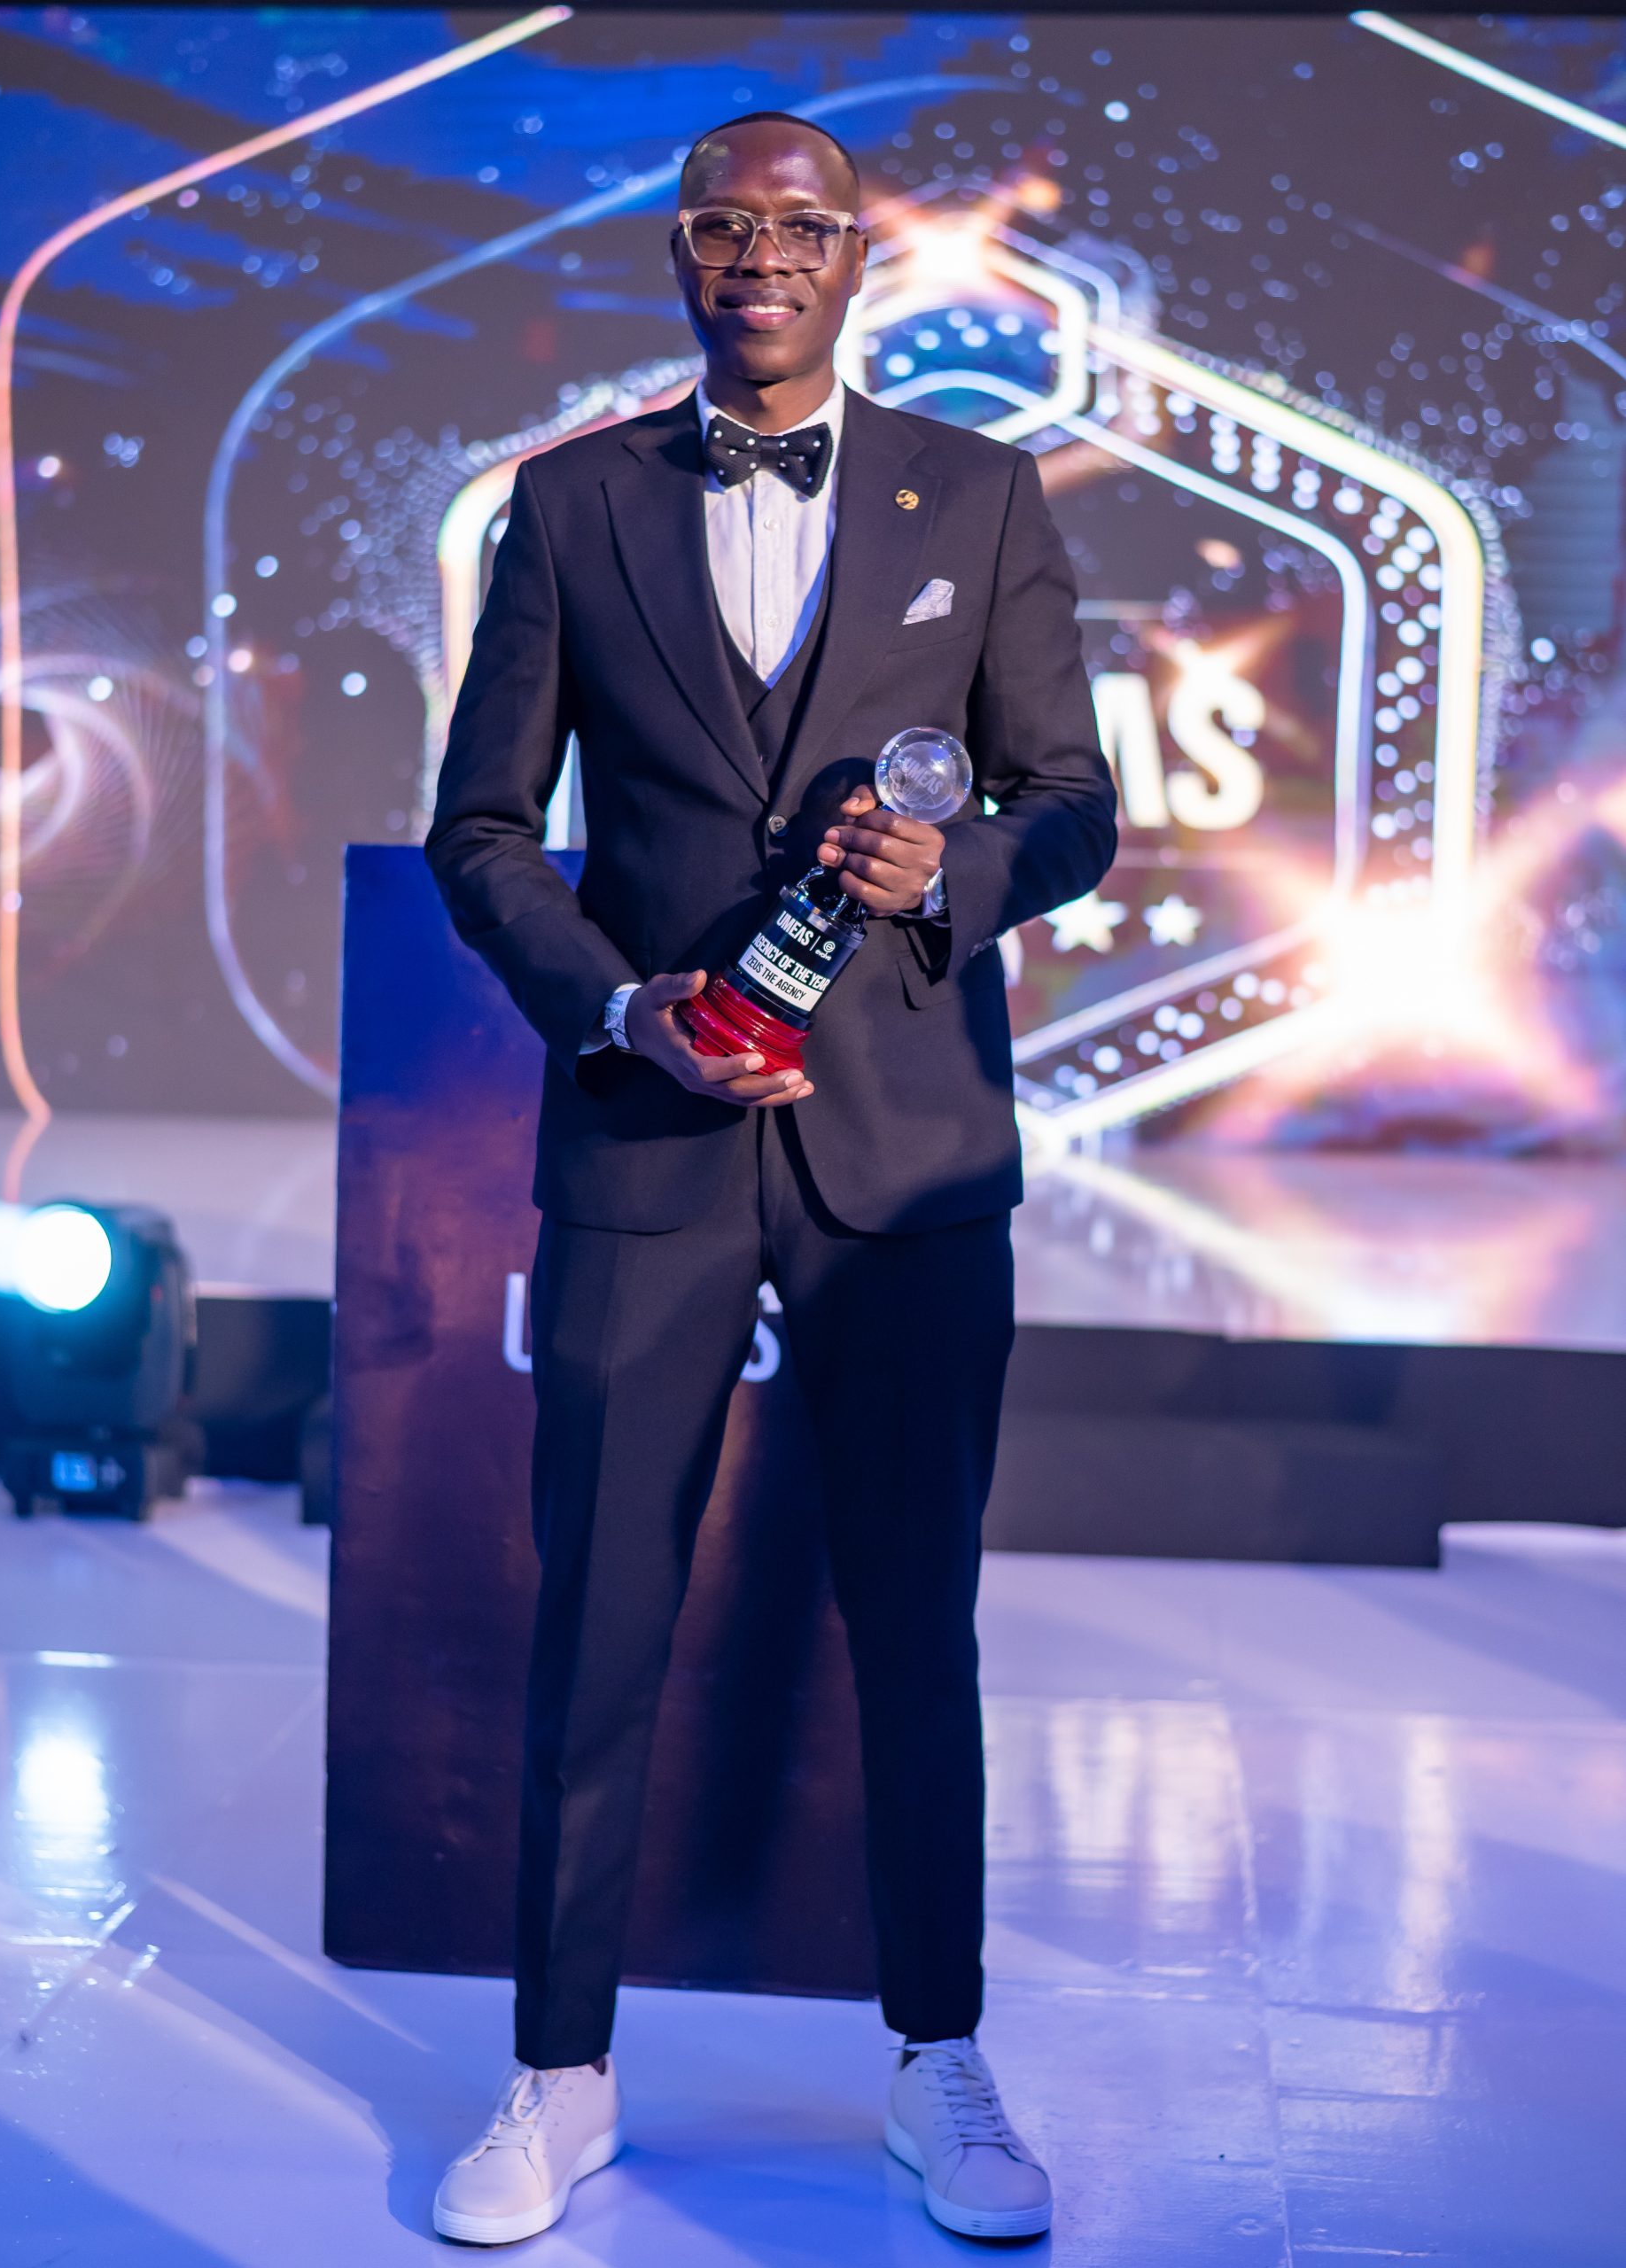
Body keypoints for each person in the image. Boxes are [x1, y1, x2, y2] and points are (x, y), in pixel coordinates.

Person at [424, 110, 1116, 2247]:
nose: (760, 255)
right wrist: (613, 1004)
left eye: (799, 226)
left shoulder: (978, 495)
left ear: (854, 258)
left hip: (907, 1153)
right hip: (648, 1130)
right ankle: (559, 2070)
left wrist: (956, 866)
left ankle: (938, 2059)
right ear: (680, 255)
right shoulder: (568, 504)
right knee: (598, 1615)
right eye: (722, 224)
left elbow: (1075, 801)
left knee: (915, 1613)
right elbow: (483, 831)